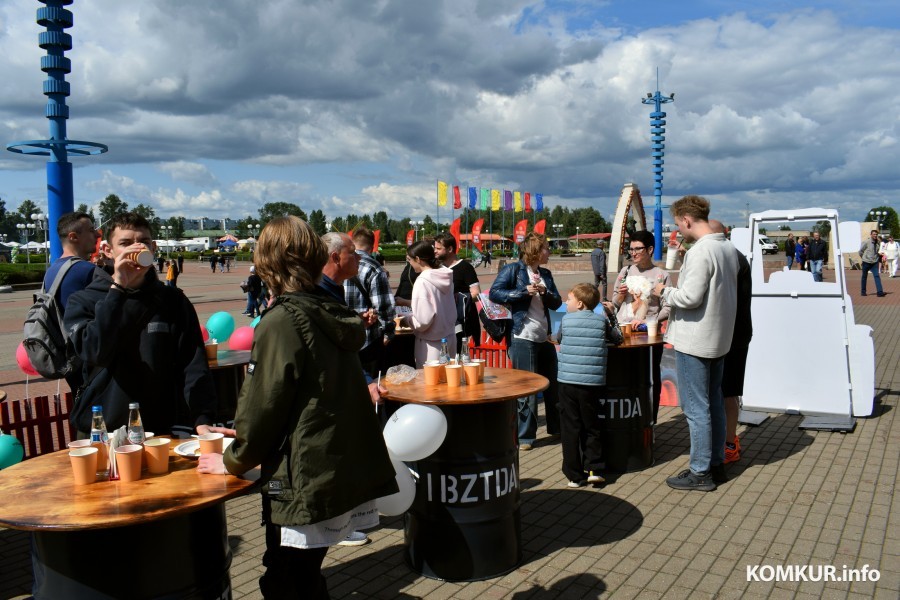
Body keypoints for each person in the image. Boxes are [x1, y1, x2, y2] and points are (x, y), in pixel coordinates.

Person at [197, 216, 397, 599]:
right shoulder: (327, 307)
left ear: (271, 259)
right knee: (302, 573)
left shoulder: (284, 319)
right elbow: (307, 394)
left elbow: (264, 404)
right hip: (328, 466)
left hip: (298, 475)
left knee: (285, 576)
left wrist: (232, 459)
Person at [64, 212, 218, 436]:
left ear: (153, 248)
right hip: (104, 429)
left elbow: (193, 364)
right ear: (108, 250)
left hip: (162, 429)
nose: (136, 249)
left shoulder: (172, 300)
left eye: (143, 242)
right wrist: (118, 288)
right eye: (125, 243)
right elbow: (95, 351)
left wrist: (202, 418)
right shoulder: (83, 301)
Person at [654, 196, 738, 491]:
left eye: (678, 224)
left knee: (696, 408)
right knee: (713, 402)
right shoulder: (726, 246)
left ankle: (700, 471)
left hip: (695, 339)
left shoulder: (701, 251)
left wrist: (664, 291)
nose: (679, 229)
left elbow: (689, 298)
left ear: (686, 220)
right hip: (718, 338)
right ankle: (714, 464)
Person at [489, 232, 563, 451]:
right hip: (522, 335)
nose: (549, 252)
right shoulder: (513, 270)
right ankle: (525, 437)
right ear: (535, 251)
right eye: (546, 248)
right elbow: (495, 293)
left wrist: (545, 291)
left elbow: (557, 303)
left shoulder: (546, 274)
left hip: (545, 337)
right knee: (527, 388)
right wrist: (523, 292)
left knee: (552, 387)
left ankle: (556, 429)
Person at [557, 283, 622, 488]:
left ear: (580, 303)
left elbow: (558, 339)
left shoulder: (566, 321)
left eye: (569, 299)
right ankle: (594, 468)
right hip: (592, 384)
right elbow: (617, 338)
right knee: (592, 426)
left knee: (570, 428)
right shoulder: (600, 322)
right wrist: (612, 315)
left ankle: (574, 475)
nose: (566, 303)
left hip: (567, 381)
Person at [608, 229, 670, 422]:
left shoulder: (661, 275)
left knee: (651, 379)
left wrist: (649, 321)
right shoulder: (625, 272)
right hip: (625, 335)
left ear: (650, 249)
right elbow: (614, 304)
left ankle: (649, 421)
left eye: (638, 249)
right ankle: (630, 421)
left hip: (650, 337)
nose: (633, 253)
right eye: (631, 249)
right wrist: (618, 296)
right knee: (627, 379)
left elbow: (668, 307)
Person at [709, 221, 752, 466]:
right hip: (731, 333)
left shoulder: (731, 259)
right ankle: (724, 441)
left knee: (728, 393)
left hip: (733, 336)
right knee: (725, 391)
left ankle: (729, 444)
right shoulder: (732, 256)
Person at [42, 212, 100, 393]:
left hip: (68, 357)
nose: (97, 235)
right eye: (91, 230)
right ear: (73, 237)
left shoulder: (52, 271)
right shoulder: (86, 271)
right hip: (91, 360)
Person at [344, 228, 395, 377]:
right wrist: (388, 333)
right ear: (372, 247)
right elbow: (384, 306)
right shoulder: (374, 267)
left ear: (353, 242)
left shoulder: (339, 263)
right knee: (373, 387)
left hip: (343, 338)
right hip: (369, 340)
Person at [401, 240, 457, 367]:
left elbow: (423, 321)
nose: (409, 263)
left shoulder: (422, 281)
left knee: (431, 383)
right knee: (449, 380)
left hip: (431, 344)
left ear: (418, 259)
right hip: (449, 337)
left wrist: (406, 320)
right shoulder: (444, 275)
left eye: (409, 260)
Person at [434, 232, 481, 354]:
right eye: (435, 248)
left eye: (439, 248)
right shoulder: (437, 268)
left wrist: (457, 299)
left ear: (450, 249)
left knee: (457, 358)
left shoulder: (465, 267)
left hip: (459, 324)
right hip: (440, 322)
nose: (435, 251)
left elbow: (476, 294)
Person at [859, 230, 886, 297]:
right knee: (864, 277)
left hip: (874, 262)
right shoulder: (866, 242)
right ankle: (863, 291)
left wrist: (878, 256)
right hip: (866, 262)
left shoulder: (878, 242)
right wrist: (864, 258)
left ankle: (879, 292)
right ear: (871, 235)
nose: (875, 235)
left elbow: (877, 251)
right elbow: (860, 251)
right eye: (874, 234)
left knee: (877, 276)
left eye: (876, 234)